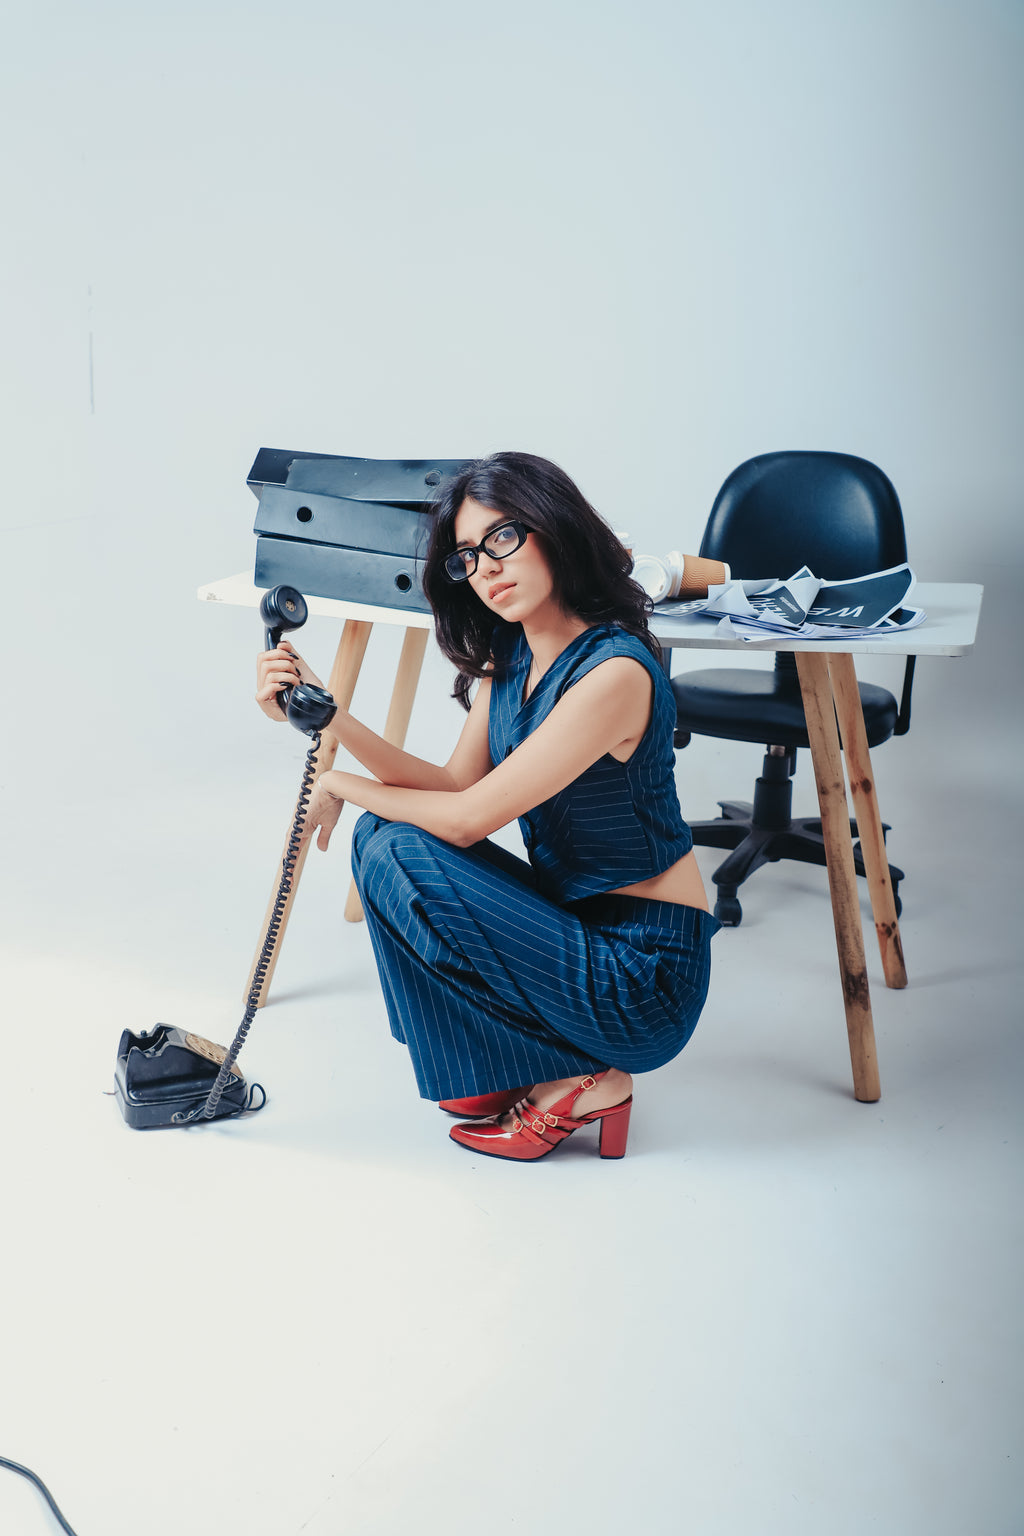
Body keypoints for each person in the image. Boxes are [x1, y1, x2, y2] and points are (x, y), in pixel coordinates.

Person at [255, 451, 719, 1162]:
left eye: (504, 538)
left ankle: (591, 1075)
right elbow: (449, 787)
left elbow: (471, 821)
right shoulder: (515, 653)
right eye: (469, 556)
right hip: (576, 931)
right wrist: (326, 717)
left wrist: (339, 783)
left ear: (554, 527)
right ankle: (519, 1063)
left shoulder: (614, 673)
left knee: (400, 837)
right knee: (386, 832)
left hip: (644, 975)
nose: (489, 568)